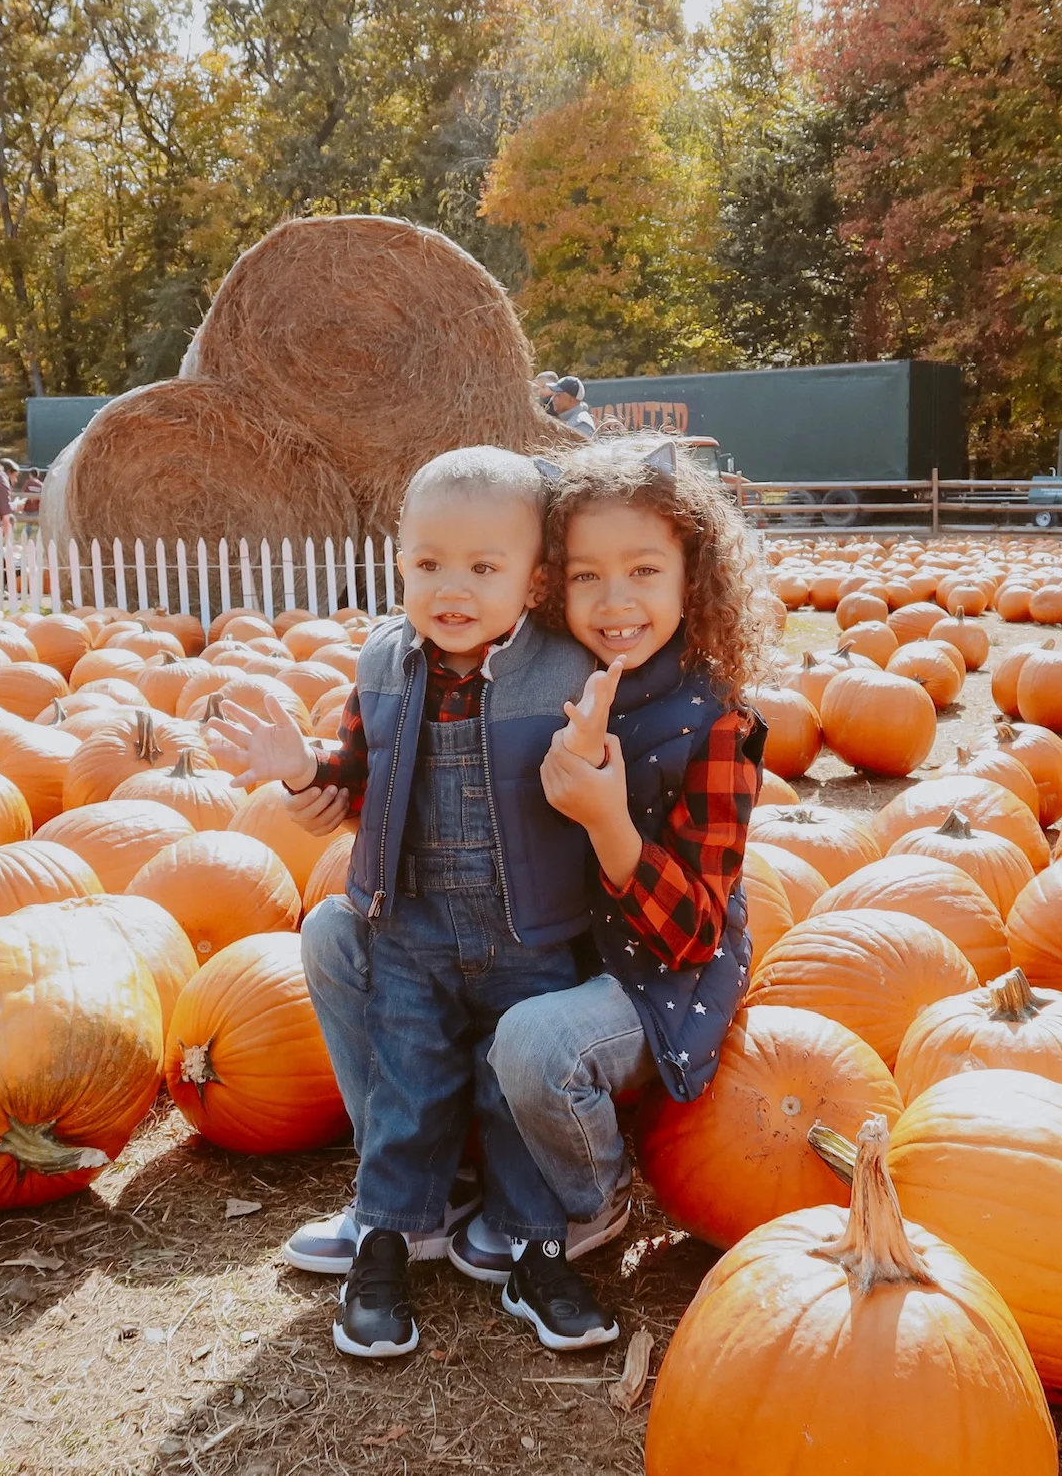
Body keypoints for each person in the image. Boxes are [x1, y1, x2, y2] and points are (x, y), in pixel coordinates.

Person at [209, 446, 611, 1360]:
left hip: (529, 931)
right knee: (406, 1087)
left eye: (483, 566)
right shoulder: (385, 663)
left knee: (512, 1105)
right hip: (411, 925)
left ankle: (536, 1255)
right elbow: (359, 775)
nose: (452, 587)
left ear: (534, 577)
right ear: (398, 565)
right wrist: (306, 769)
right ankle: (388, 1242)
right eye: (428, 564)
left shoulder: (566, 670)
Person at [468, 440, 768, 1321]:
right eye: (587, 576)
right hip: (549, 947)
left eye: (643, 569)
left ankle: (594, 1196)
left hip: (653, 977)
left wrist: (606, 819)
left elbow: (692, 934)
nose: (616, 601)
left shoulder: (716, 720)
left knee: (536, 1043)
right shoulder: (533, 685)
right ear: (552, 584)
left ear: (692, 576)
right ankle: (416, 1193)